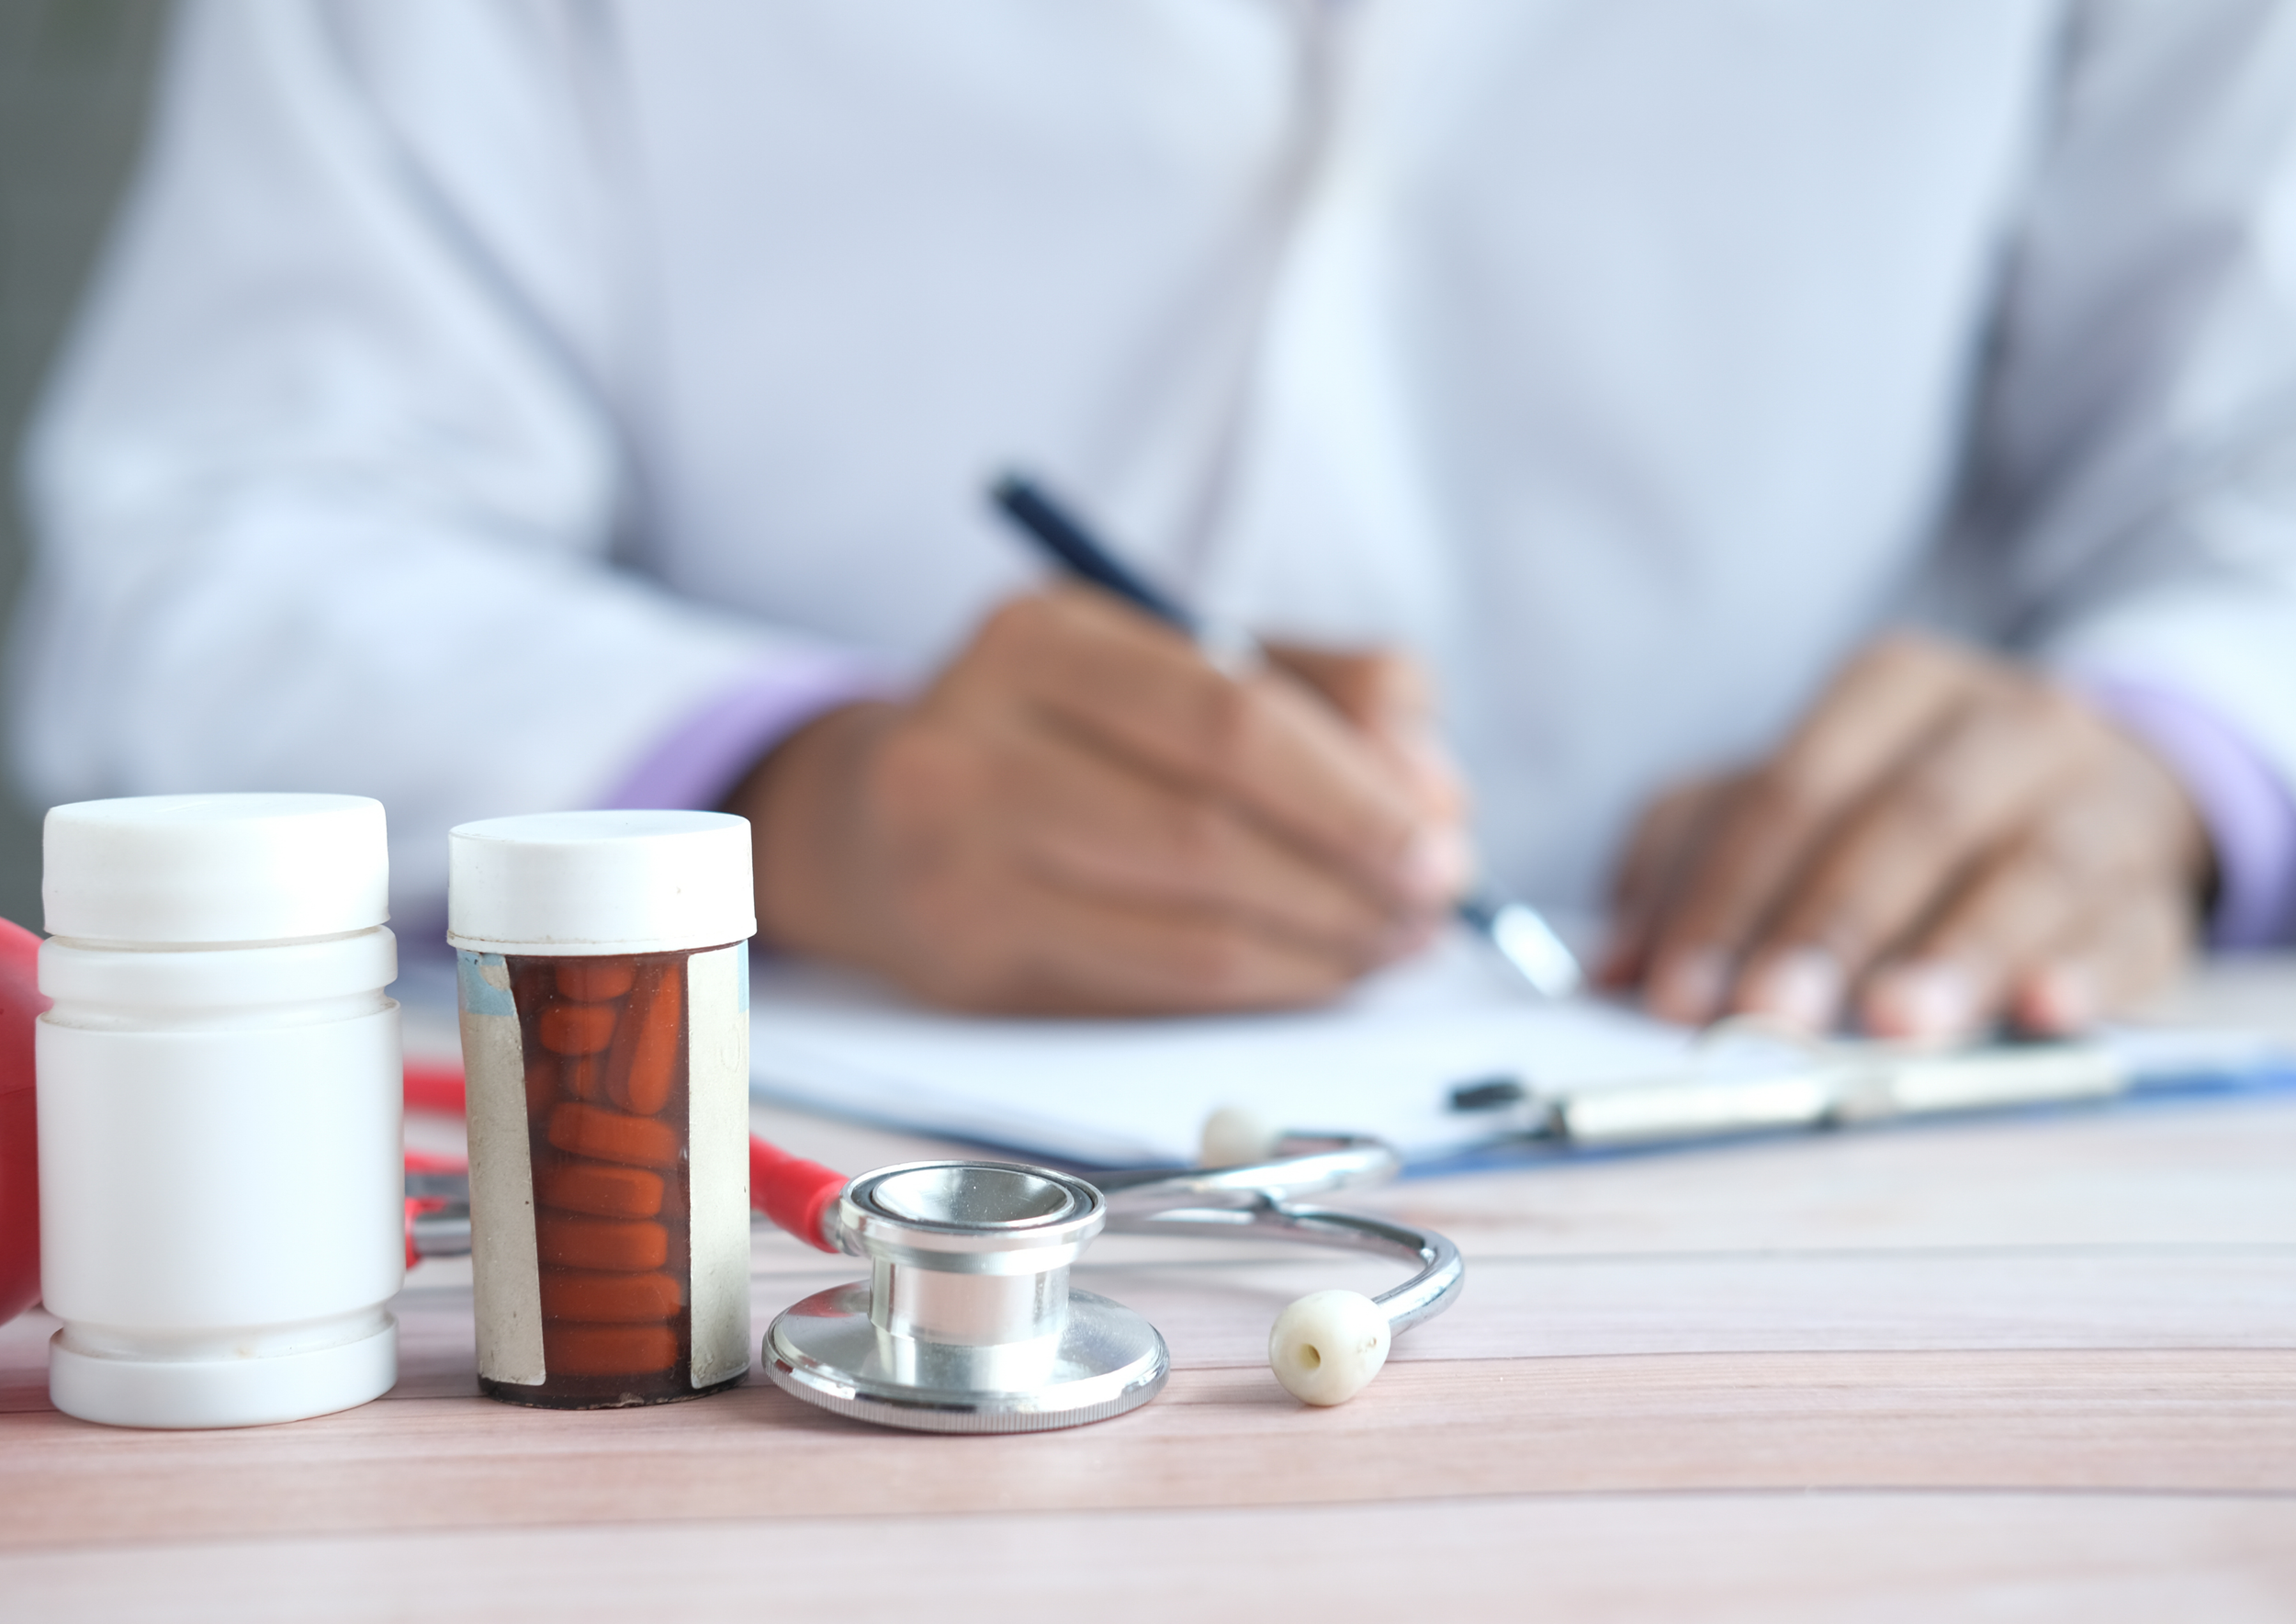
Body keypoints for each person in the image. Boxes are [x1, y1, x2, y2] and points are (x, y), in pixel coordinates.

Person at [14, 1, 2296, 1036]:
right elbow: (217, 540)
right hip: (797, 1183)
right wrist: (798, 802)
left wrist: (2171, 754)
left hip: (1859, 1124)